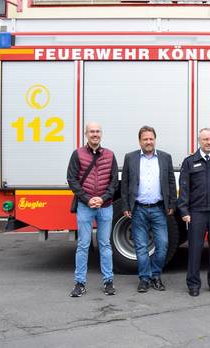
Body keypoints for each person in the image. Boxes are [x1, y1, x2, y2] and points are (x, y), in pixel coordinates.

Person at [121, 126, 176, 293]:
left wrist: (172, 204)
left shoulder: (165, 157)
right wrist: (125, 206)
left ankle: (156, 275)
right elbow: (124, 183)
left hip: (159, 208)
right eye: (145, 139)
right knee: (141, 246)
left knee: (163, 244)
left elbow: (171, 182)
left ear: (155, 139)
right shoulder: (130, 158)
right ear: (140, 141)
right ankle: (144, 278)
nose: (148, 142)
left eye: (151, 138)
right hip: (139, 209)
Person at [66, 122, 119, 297]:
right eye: (91, 132)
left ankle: (108, 282)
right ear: (86, 134)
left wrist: (102, 198)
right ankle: (80, 283)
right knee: (83, 245)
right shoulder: (77, 154)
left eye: (97, 131)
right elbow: (71, 179)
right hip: (85, 206)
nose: (95, 134)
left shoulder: (110, 155)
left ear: (101, 134)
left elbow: (113, 182)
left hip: (105, 206)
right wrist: (88, 199)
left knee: (105, 245)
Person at [178, 128, 210, 297]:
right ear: (199, 140)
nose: (209, 142)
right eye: (205, 139)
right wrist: (184, 210)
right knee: (195, 249)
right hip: (196, 212)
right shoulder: (190, 161)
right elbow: (184, 187)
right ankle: (193, 284)